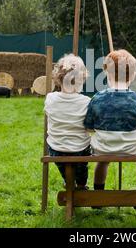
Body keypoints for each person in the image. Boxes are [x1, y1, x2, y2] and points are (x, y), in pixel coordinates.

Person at [84, 49, 136, 215]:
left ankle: (98, 196)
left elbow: (88, 127)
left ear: (107, 72)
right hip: (132, 149)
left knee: (102, 161)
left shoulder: (97, 98)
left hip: (103, 148)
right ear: (133, 75)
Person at [44, 54, 91, 190]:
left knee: (64, 164)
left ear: (59, 78)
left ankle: (68, 182)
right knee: (83, 164)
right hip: (80, 149)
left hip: (56, 148)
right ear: (81, 79)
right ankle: (81, 185)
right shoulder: (86, 102)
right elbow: (89, 126)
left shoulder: (50, 98)